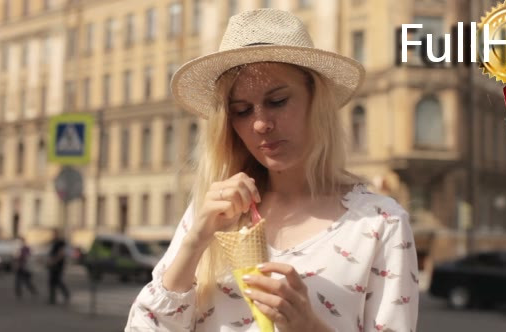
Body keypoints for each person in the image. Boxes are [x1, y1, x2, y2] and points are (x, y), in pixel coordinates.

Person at [126, 8, 419, 332]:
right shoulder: (216, 211)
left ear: (314, 99)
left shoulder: (380, 223)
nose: (261, 124)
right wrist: (196, 241)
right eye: (241, 110)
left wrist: (309, 326)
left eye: (278, 101)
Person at [47, 229, 70, 305]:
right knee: (53, 281)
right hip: (53, 264)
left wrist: (54, 261)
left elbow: (61, 253)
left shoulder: (60, 242)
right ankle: (52, 298)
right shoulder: (53, 242)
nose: (53, 235)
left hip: (58, 265)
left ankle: (65, 294)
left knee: (57, 281)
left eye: (54, 233)